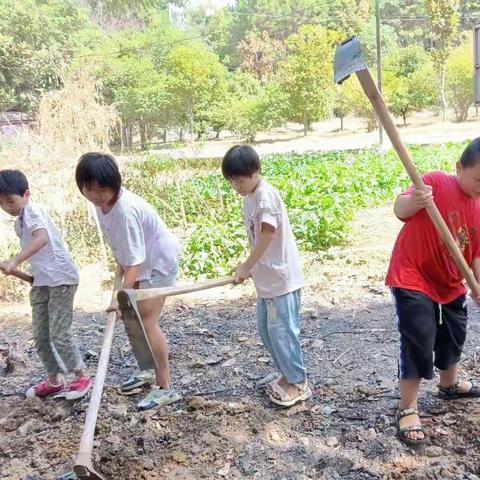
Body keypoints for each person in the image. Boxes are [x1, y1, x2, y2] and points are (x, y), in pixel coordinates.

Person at [386, 138, 480, 446]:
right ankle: (407, 407)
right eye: (479, 178)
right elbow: (400, 208)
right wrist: (417, 200)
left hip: (450, 279)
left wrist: (478, 285)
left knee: (455, 331)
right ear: (459, 168)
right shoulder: (436, 182)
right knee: (420, 334)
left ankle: (448, 385)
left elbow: (476, 255)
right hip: (412, 273)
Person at [75, 152, 181, 411]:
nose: (97, 196)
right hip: (137, 265)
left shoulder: (126, 211)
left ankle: (165, 387)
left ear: (115, 184)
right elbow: (127, 255)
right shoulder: (102, 206)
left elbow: (134, 262)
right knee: (132, 321)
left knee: (146, 321)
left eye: (103, 189)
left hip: (157, 264)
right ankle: (147, 371)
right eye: (89, 190)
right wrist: (123, 288)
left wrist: (118, 298)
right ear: (82, 187)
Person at [222, 145, 311, 407]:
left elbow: (268, 233)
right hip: (267, 279)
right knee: (267, 330)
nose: (237, 185)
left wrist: (246, 265)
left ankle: (298, 383)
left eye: (241, 178)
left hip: (282, 279)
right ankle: (287, 374)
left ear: (256, 171)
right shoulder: (250, 199)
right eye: (232, 180)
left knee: (283, 332)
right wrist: (251, 267)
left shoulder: (265, 196)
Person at [0, 169, 91, 400]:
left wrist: (15, 261)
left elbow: (42, 239)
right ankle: (54, 380)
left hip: (60, 279)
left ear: (26, 194)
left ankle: (81, 376)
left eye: (11, 200)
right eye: (1, 203)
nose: (7, 207)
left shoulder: (32, 211)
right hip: (42, 282)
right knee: (40, 335)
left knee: (59, 332)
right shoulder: (19, 221)